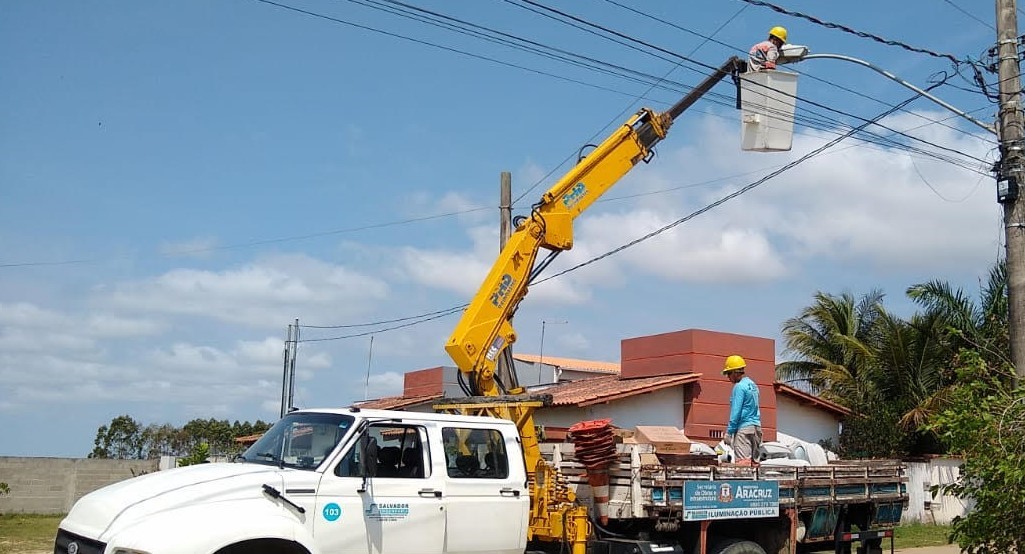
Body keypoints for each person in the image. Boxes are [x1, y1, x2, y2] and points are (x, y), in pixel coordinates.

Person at [723, 354, 762, 466]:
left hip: (743, 429)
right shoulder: (753, 385)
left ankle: (746, 484)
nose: (728, 377)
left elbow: (736, 412)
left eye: (729, 373)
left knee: (743, 465)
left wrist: (729, 433)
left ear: (735, 372)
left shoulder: (739, 387)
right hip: (756, 428)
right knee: (755, 464)